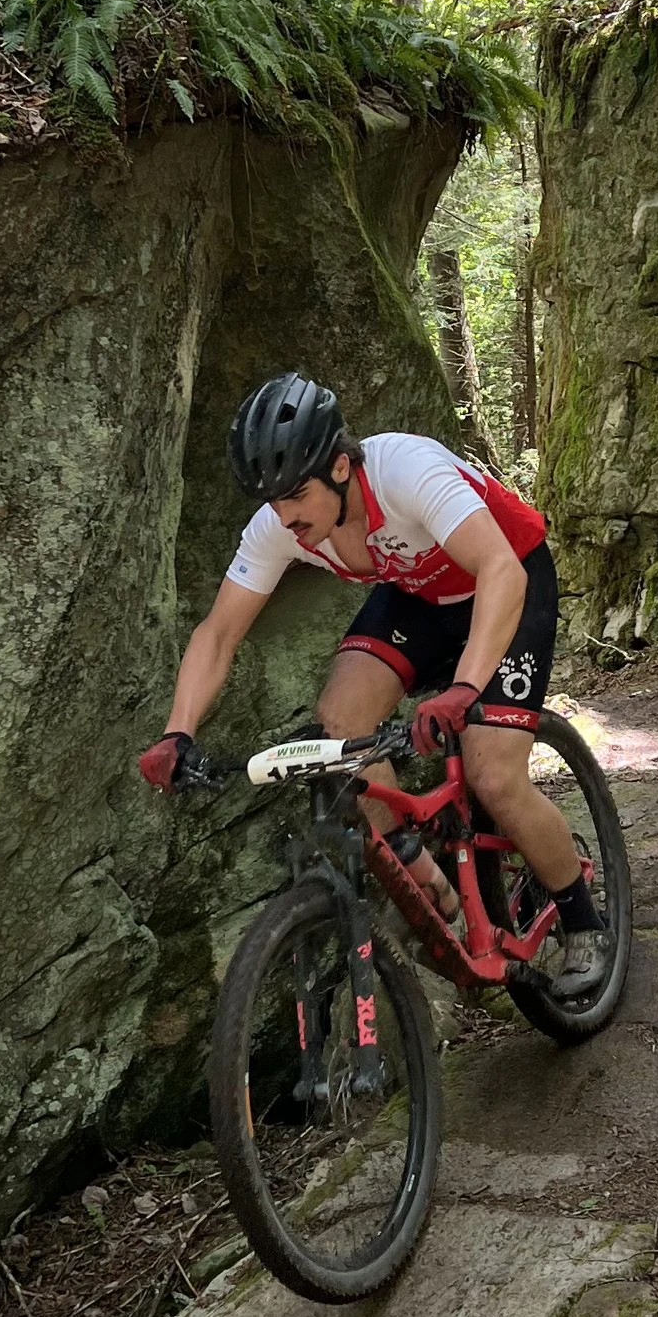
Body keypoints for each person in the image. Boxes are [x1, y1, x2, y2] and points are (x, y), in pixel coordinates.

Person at [137, 372, 610, 1002]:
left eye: (295, 495)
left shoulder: (405, 469)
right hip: (420, 595)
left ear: (340, 467)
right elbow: (219, 633)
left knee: (493, 774)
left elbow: (498, 567)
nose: (285, 516)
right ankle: (430, 887)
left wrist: (466, 688)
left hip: (508, 578)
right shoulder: (280, 525)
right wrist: (178, 731)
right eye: (272, 501)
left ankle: (585, 921)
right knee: (342, 722)